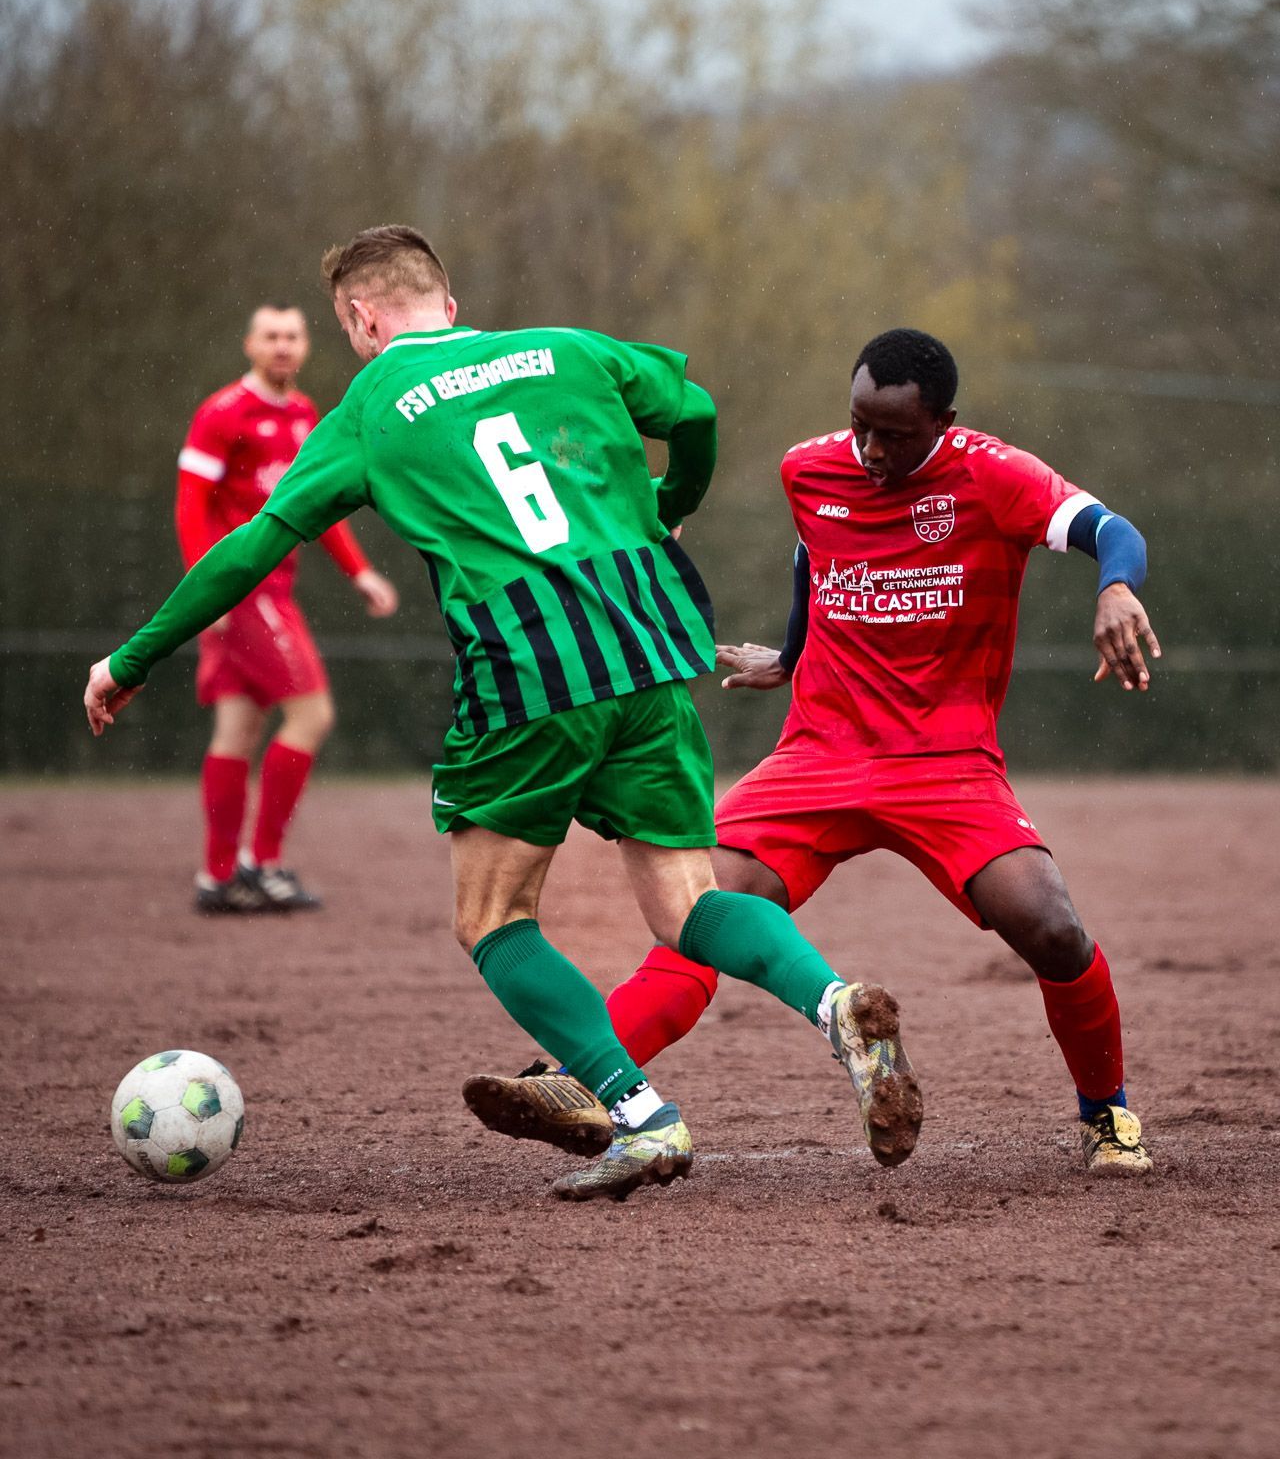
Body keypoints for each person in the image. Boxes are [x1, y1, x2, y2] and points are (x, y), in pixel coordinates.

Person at [83, 227, 923, 1202]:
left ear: (361, 318)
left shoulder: (371, 403)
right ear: (446, 299)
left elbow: (255, 543)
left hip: (527, 659)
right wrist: (667, 504)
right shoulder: (569, 348)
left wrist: (130, 658)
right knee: (686, 905)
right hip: (648, 641)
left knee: (491, 915)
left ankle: (640, 1117)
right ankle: (835, 1002)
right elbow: (693, 410)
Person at [473, 328, 1159, 1177]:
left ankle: (1108, 1119)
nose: (870, 449)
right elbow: (815, 555)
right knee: (694, 920)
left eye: (895, 434)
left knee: (1053, 930)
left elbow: (1110, 529)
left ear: (944, 420)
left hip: (943, 761)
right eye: (859, 425)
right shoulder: (811, 467)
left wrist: (1116, 587)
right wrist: (793, 657)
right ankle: (580, 1081)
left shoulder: (994, 475)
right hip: (817, 756)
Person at [176, 304, 400, 914]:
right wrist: (206, 589)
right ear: (250, 343)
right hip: (244, 592)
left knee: (238, 728)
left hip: (270, 592)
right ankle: (262, 862)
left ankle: (217, 878)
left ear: (305, 346)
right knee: (313, 715)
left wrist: (360, 572)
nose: (282, 346)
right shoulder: (223, 414)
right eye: (271, 336)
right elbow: (191, 505)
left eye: (293, 336)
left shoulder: (305, 416)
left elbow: (312, 508)